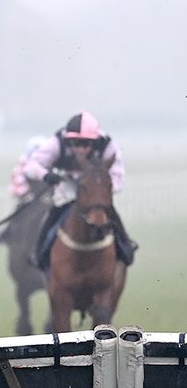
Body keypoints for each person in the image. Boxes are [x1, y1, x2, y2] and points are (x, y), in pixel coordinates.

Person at [23, 111, 136, 269]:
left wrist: (101, 190)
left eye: (86, 143)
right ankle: (39, 252)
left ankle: (125, 246)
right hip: (67, 187)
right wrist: (46, 175)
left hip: (95, 191)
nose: (80, 149)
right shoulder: (56, 142)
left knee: (109, 213)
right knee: (53, 214)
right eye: (75, 143)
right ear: (68, 140)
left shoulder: (108, 146)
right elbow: (31, 166)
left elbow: (118, 178)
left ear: (95, 142)